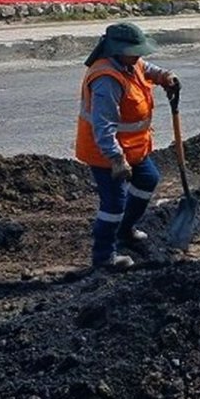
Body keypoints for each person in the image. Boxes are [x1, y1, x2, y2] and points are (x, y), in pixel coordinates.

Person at [76, 22, 180, 271]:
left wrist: (164, 76)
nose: (140, 55)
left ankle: (125, 230)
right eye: (135, 50)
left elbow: (147, 69)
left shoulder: (129, 63)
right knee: (114, 204)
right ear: (116, 49)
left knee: (148, 179)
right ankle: (104, 256)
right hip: (106, 153)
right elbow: (103, 125)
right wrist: (116, 159)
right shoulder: (106, 79)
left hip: (133, 148)